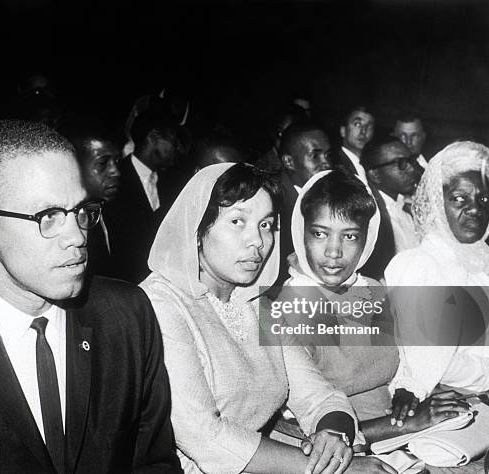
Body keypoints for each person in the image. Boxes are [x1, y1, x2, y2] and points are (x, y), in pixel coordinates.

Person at [0, 120, 181, 473]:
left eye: (81, 211)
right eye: (48, 216)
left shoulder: (128, 315)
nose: (77, 236)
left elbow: (153, 462)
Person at [141, 162, 396, 474]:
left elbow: (319, 396)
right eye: (237, 221)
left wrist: (335, 435)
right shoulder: (161, 305)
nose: (257, 242)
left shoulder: (257, 303)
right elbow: (203, 436)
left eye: (266, 225)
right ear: (197, 229)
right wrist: (325, 467)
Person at [283, 169, 468, 443]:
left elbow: (400, 361)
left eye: (350, 236)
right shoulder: (289, 308)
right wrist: (408, 424)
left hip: (395, 429)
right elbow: (306, 434)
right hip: (342, 446)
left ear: (367, 239)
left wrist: (407, 392)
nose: (334, 252)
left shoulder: (370, 289)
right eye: (320, 234)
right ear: (301, 233)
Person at [385, 141, 489, 426]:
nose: (474, 209)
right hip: (458, 404)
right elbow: (431, 364)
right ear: (437, 202)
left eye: (483, 199)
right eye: (459, 199)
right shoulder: (418, 265)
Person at [103, 101, 182, 283]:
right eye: (173, 139)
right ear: (153, 137)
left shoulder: (172, 184)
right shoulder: (113, 180)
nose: (177, 147)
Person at [61, 118, 122, 277]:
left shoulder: (113, 211)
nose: (116, 171)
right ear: (75, 166)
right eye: (103, 163)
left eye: (116, 161)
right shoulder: (64, 227)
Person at [276, 123, 332, 286]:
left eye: (328, 155)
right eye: (315, 156)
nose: (327, 163)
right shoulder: (275, 206)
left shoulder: (330, 191)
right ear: (289, 161)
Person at [362, 136, 420, 254]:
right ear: (375, 175)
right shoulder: (370, 218)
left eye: (411, 160)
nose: (411, 169)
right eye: (401, 163)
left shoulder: (407, 206)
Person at [333, 106, 375, 182]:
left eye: (369, 126)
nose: (363, 131)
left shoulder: (373, 165)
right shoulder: (334, 165)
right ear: (343, 131)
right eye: (357, 124)